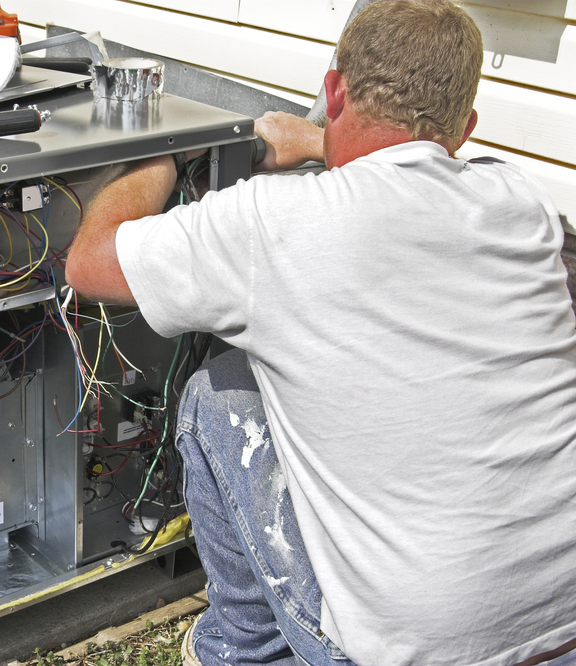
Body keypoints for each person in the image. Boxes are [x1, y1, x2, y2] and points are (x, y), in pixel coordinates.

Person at [64, 2, 576, 666]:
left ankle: (243, 653)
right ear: (465, 126)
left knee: (218, 397)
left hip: (419, 651)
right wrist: (314, 141)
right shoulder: (518, 202)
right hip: (562, 621)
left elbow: (88, 263)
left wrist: (160, 153)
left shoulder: (276, 223)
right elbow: (414, 172)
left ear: (333, 90)